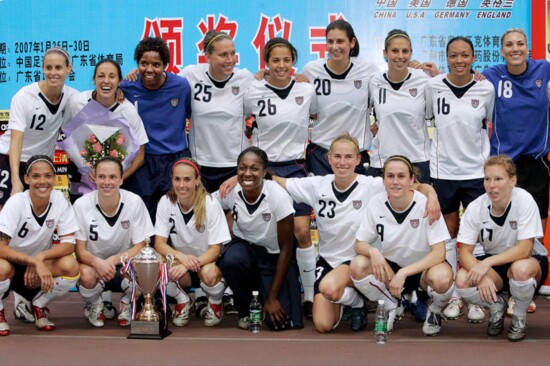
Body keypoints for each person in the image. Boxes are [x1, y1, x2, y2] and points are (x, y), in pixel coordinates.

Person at [272, 133, 440, 333]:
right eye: (337, 156)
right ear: (329, 159)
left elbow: (419, 186)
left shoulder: (372, 185)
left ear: (358, 159)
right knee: (323, 324)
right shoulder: (316, 184)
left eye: (349, 157)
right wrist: (237, 178)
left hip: (360, 259)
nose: (343, 162)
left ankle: (381, 300)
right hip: (328, 260)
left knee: (329, 287)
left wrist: (432, 197)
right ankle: (355, 303)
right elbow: (276, 181)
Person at [244, 37, 317, 317]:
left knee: (300, 232)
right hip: (266, 169)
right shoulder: (253, 91)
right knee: (269, 233)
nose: (281, 65)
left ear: (293, 61)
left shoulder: (306, 91)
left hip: (296, 168)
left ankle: (308, 295)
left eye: (287, 59)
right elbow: (241, 119)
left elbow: (317, 116)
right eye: (275, 60)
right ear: (266, 63)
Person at [425, 36, 495, 322]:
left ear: (473, 57)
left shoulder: (486, 88)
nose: (459, 60)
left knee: (476, 234)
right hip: (443, 171)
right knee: (450, 232)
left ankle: (474, 295)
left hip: (476, 172)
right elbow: (427, 118)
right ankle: (455, 294)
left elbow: (488, 123)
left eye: (465, 55)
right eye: (453, 55)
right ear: (447, 58)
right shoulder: (434, 86)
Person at [483, 29, 550, 315]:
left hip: (535, 162)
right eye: (509, 44)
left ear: (528, 48)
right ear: (501, 50)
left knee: (534, 230)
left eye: (520, 44)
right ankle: (507, 284)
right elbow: (460, 83)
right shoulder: (490, 75)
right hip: (504, 164)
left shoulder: (544, 70)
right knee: (506, 228)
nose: (515, 48)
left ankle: (526, 288)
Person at [350, 155, 453, 336]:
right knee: (358, 265)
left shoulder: (425, 204)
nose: (395, 182)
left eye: (401, 176)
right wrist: (373, 251)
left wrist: (404, 273)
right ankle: (391, 304)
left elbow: (439, 253)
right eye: (390, 176)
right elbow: (359, 244)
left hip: (422, 269)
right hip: (392, 268)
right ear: (383, 180)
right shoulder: (376, 203)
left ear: (412, 180)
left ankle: (434, 311)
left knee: (443, 277)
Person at [455, 155, 549, 342]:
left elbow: (525, 249)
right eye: (487, 179)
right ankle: (496, 306)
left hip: (528, 261)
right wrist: (480, 276)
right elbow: (464, 251)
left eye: (498, 179)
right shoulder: (476, 207)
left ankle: (519, 317)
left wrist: (486, 263)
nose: (492, 185)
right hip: (496, 264)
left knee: (520, 270)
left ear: (512, 180)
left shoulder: (524, 200)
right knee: (462, 280)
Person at [216, 146, 303, 331]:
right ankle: (245, 310)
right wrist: (177, 194)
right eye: (242, 167)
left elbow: (287, 250)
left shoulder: (278, 197)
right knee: (232, 260)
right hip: (245, 249)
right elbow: (204, 202)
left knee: (280, 323)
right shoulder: (231, 192)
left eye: (254, 168)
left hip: (274, 256)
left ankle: (266, 294)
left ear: (264, 172)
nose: (247, 173)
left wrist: (272, 299)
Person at [0, 155, 80, 336]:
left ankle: (38, 305)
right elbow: (0, 247)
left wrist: (39, 258)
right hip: (11, 265)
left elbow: (69, 244)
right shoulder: (16, 202)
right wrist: (33, 261)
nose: (42, 181)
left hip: (38, 267)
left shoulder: (59, 200)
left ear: (54, 178)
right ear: (26, 179)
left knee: (70, 265)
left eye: (47, 176)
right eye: (36, 176)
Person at [73, 156, 154, 327]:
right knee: (86, 275)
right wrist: (98, 262)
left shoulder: (134, 202)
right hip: (95, 265)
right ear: (94, 178)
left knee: (145, 270)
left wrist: (113, 260)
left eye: (112, 177)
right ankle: (95, 303)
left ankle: (126, 302)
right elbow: (80, 251)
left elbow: (141, 245)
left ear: (121, 179)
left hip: (124, 263)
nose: (107, 182)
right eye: (102, 176)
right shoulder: (81, 205)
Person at [120, 37, 191, 221]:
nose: (149, 69)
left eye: (156, 64)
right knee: (143, 215)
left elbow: (191, 114)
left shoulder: (181, 86)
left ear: (165, 65)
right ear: (137, 64)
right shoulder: (126, 87)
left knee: (175, 213)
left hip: (174, 159)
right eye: (144, 63)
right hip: (142, 161)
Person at [154, 158, 231, 327]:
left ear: (197, 180)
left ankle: (215, 302)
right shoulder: (166, 202)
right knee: (160, 268)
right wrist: (180, 256)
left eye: (187, 179)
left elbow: (216, 249)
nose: (182, 185)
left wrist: (187, 264)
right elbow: (159, 244)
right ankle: (183, 300)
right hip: (183, 263)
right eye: (177, 179)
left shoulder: (210, 204)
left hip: (207, 262)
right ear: (172, 179)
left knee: (210, 274)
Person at [0, 47, 77, 209]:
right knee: (5, 213)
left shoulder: (72, 98)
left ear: (68, 69)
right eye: (48, 68)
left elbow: (98, 98)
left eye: (58, 67)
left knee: (34, 215)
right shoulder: (24, 96)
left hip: (39, 165)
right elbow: (16, 141)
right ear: (42, 68)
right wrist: (16, 181)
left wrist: (121, 90)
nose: (53, 72)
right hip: (8, 159)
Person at [63, 59, 149, 202]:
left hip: (116, 185)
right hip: (82, 177)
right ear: (94, 79)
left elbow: (140, 155)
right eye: (101, 76)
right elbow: (64, 135)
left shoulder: (128, 111)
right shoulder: (76, 103)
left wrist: (117, 177)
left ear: (119, 81)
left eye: (112, 76)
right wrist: (84, 167)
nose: (106, 81)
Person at [301, 19, 379, 176]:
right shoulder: (311, 70)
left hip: (355, 156)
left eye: (340, 41)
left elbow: (390, 89)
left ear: (352, 42)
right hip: (321, 154)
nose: (335, 47)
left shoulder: (368, 70)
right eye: (330, 41)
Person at [180, 30, 255, 193]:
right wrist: (136, 75)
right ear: (208, 56)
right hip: (201, 165)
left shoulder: (245, 78)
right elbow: (165, 85)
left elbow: (270, 90)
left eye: (233, 54)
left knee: (232, 218)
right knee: (202, 217)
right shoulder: (191, 74)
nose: (230, 60)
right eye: (223, 55)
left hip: (236, 166)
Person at [366, 29, 432, 183]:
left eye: (405, 51)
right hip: (383, 161)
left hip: (417, 159)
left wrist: (437, 74)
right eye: (395, 51)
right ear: (385, 53)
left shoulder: (425, 80)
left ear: (411, 53)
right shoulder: (374, 81)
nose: (400, 56)